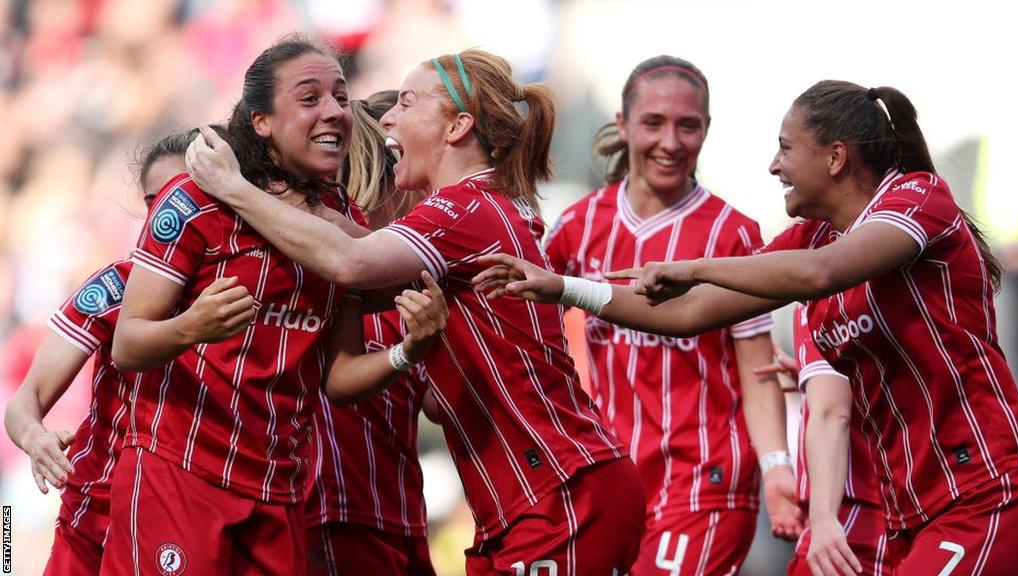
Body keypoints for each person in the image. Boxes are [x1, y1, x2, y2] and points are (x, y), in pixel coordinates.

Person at [472, 80, 1018, 575]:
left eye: (785, 147)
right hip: (909, 508)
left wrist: (693, 266)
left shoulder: (915, 198)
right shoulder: (813, 238)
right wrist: (566, 289)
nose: (773, 166)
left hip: (982, 489)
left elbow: (818, 277)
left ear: (835, 158)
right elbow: (686, 314)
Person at [186, 48, 646, 575]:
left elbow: (350, 261)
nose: (386, 118)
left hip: (558, 493)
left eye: (405, 103)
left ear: (457, 127)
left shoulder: (463, 208)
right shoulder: (479, 207)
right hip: (529, 500)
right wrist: (298, 196)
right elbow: (358, 245)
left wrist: (235, 189)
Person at [103, 36, 447, 576]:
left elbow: (338, 375)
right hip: (184, 474)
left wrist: (409, 351)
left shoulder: (337, 215)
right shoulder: (192, 202)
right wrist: (192, 326)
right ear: (261, 121)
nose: (335, 110)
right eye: (310, 98)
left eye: (340, 95)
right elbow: (127, 345)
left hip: (280, 491)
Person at [544, 55, 801, 575]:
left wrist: (776, 468)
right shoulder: (576, 226)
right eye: (654, 123)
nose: (671, 142)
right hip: (615, 479)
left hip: (706, 479)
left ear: (707, 129)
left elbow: (757, 370)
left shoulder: (733, 233)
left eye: (689, 125)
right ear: (622, 125)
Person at [3, 128, 202, 575]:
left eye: (187, 198)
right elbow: (25, 399)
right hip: (97, 514)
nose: (170, 217)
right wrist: (36, 438)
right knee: (7, 548)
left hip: (192, 516)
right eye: (157, 203)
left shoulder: (252, 290)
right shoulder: (115, 286)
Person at [306, 90, 436, 576]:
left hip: (399, 513)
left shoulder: (407, 282)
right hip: (334, 513)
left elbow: (438, 406)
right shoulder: (327, 278)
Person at [754, 304, 892, 576]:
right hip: (859, 517)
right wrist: (813, 377)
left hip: (853, 521)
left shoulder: (828, 294)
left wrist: (823, 518)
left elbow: (832, 413)